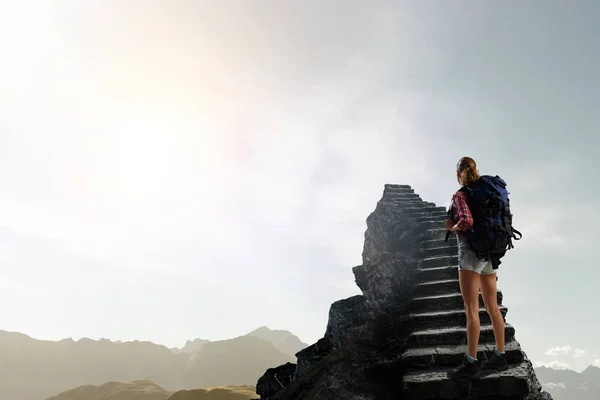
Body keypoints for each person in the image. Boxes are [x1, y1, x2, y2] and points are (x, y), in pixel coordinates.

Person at [445, 157, 508, 378]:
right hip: (490, 253)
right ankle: (500, 354)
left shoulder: (461, 195)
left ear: (458, 174)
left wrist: (451, 226)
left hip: (471, 256)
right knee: (492, 307)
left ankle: (471, 362)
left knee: (471, 309)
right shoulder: (488, 188)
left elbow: (466, 221)